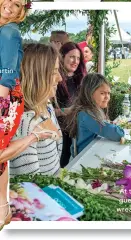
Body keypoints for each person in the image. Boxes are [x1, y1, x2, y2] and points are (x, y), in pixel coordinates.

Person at [9, 43, 63, 177]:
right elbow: (30, 186)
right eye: (54, 72)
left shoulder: (46, 106)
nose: (60, 78)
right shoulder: (23, 124)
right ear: (36, 76)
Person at [0, 0, 31, 231]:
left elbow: (6, 74)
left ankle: (2, 209)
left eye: (17, 4)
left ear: (21, 11)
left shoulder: (9, 32)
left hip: (5, 98)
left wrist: (1, 104)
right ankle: (3, 208)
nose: (9, 5)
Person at [66, 73, 125, 158]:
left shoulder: (91, 111)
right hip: (83, 160)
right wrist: (120, 130)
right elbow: (117, 134)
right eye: (102, 93)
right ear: (89, 93)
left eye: (108, 93)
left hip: (89, 154)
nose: (107, 97)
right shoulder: (87, 115)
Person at [56, 42, 86, 168]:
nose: (76, 61)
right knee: (61, 164)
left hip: (76, 131)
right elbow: (48, 110)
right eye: (72, 57)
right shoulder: (55, 79)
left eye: (78, 58)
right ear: (62, 56)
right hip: (59, 133)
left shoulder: (80, 78)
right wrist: (69, 110)